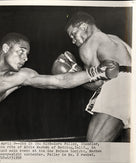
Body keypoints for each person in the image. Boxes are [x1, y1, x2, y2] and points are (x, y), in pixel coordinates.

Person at [0, 32, 119, 140]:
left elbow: (58, 82)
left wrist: (96, 72)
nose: (25, 58)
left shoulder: (21, 76)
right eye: (21, 52)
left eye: (27, 55)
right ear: (5, 48)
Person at [52, 11, 131, 142]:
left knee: (94, 147)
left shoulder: (89, 43)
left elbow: (97, 83)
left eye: (73, 34)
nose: (73, 40)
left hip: (120, 86)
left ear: (83, 27)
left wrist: (73, 73)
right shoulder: (115, 38)